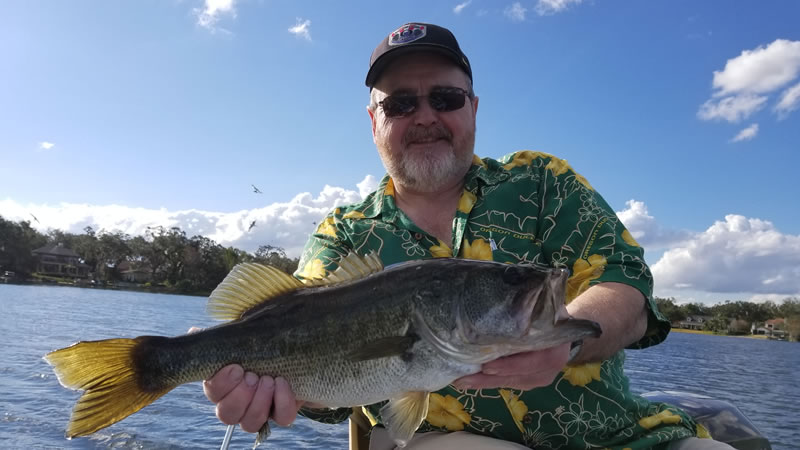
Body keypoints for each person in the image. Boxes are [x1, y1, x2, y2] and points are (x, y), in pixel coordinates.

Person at [202, 23, 734, 449]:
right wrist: (265, 395)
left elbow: (625, 283)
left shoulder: (542, 182)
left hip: (625, 438)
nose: (426, 116)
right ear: (373, 121)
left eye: (446, 98)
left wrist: (569, 339)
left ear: (473, 108)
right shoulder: (343, 235)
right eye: (400, 104)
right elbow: (334, 385)